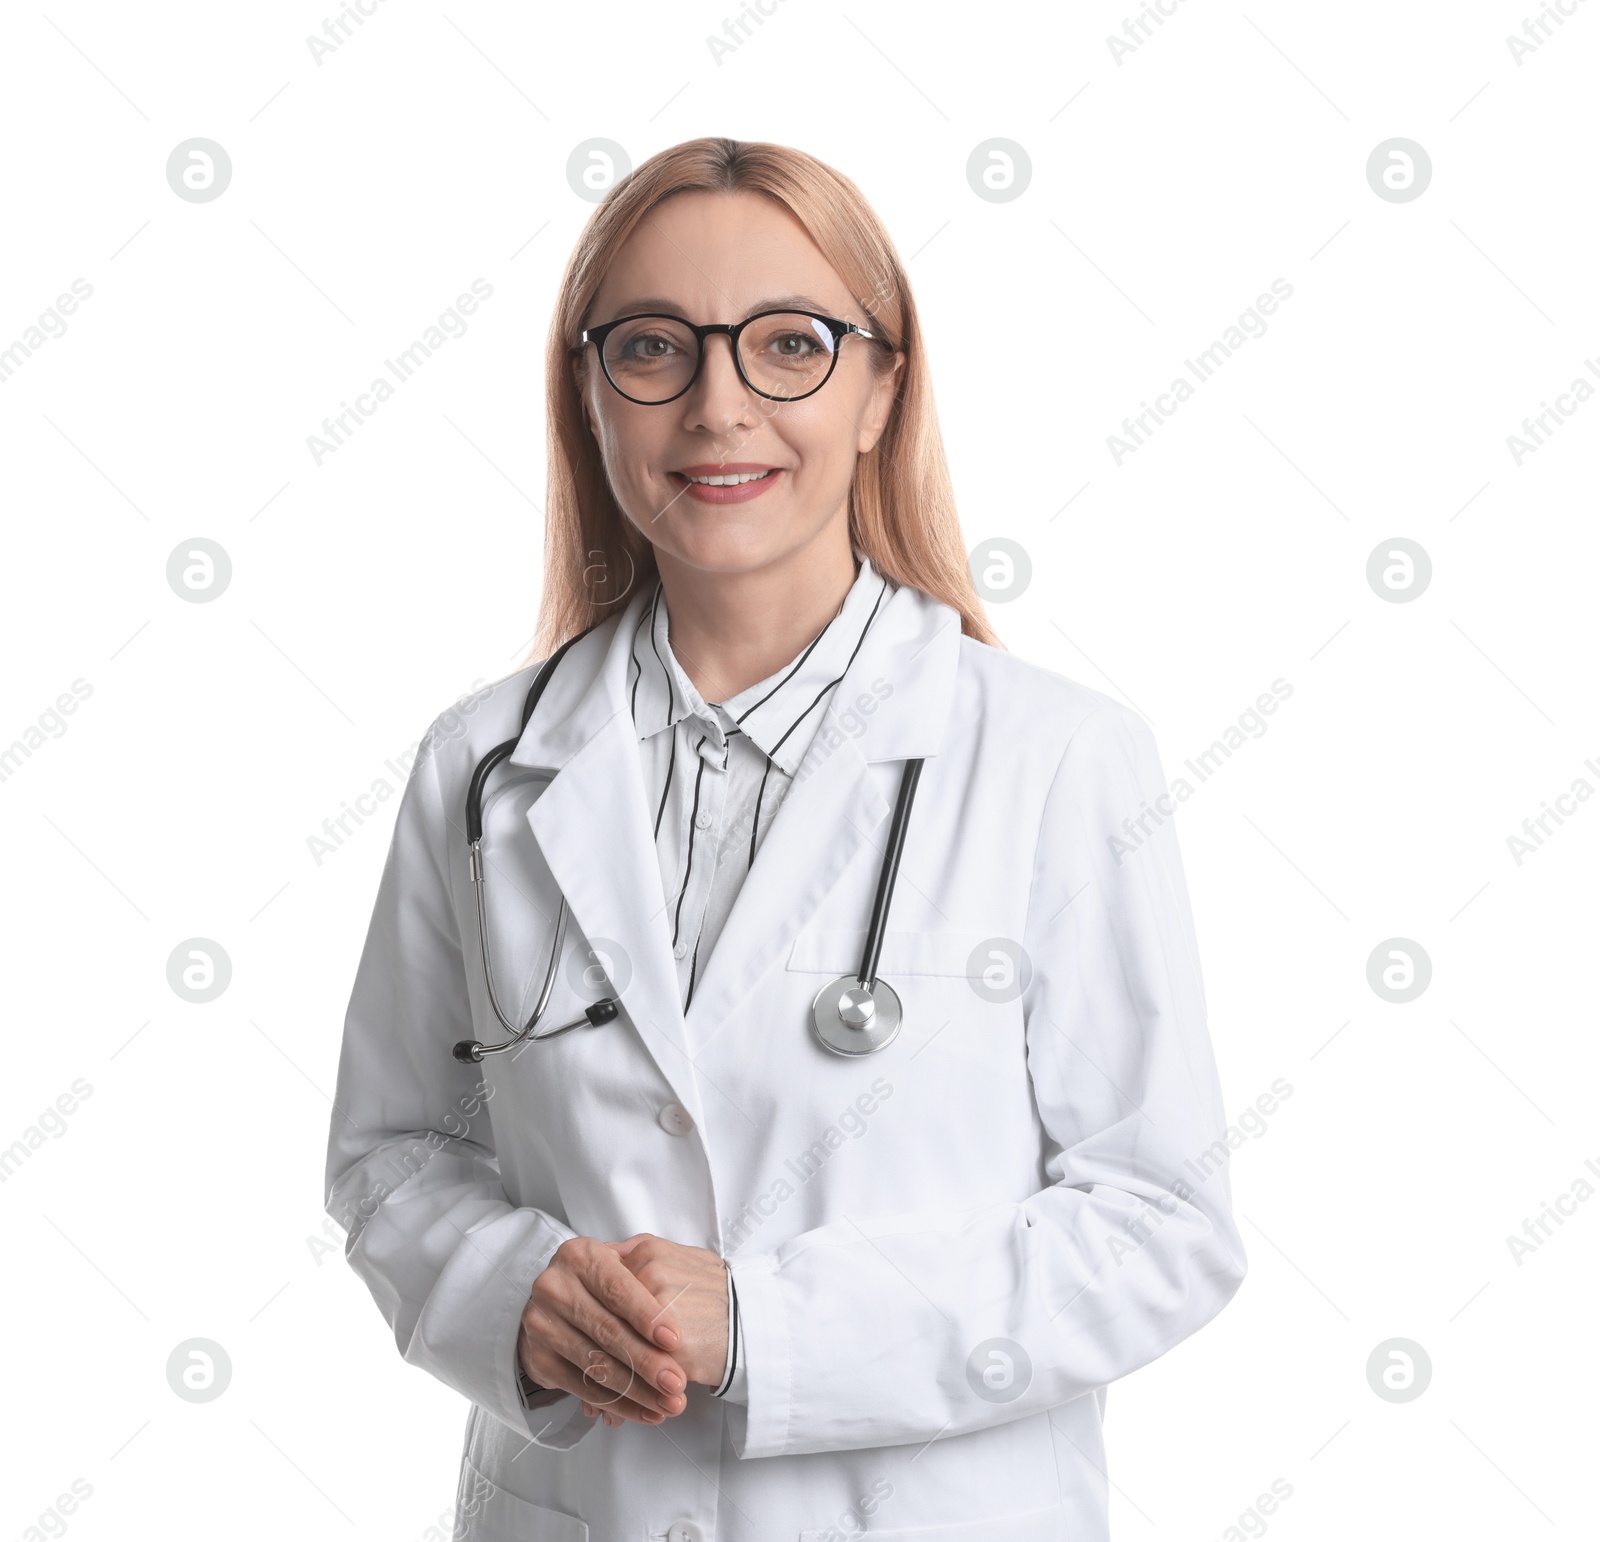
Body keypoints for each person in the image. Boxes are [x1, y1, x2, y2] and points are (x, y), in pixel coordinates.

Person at [325, 135, 1247, 1542]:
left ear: (885, 386)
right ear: (589, 394)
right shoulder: (486, 768)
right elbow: (394, 1155)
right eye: (651, 348)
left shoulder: (1056, 759)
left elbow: (1156, 1227)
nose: (717, 405)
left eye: (790, 346)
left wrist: (765, 1326)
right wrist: (518, 1291)